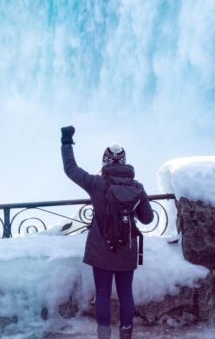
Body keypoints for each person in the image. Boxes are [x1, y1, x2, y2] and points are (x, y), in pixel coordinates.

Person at [60, 125, 153, 339]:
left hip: (101, 249)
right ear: (125, 162)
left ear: (104, 161)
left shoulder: (96, 183)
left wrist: (66, 142)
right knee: (125, 294)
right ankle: (126, 334)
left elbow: (70, 169)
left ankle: (104, 336)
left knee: (102, 295)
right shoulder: (137, 187)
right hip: (127, 249)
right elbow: (148, 219)